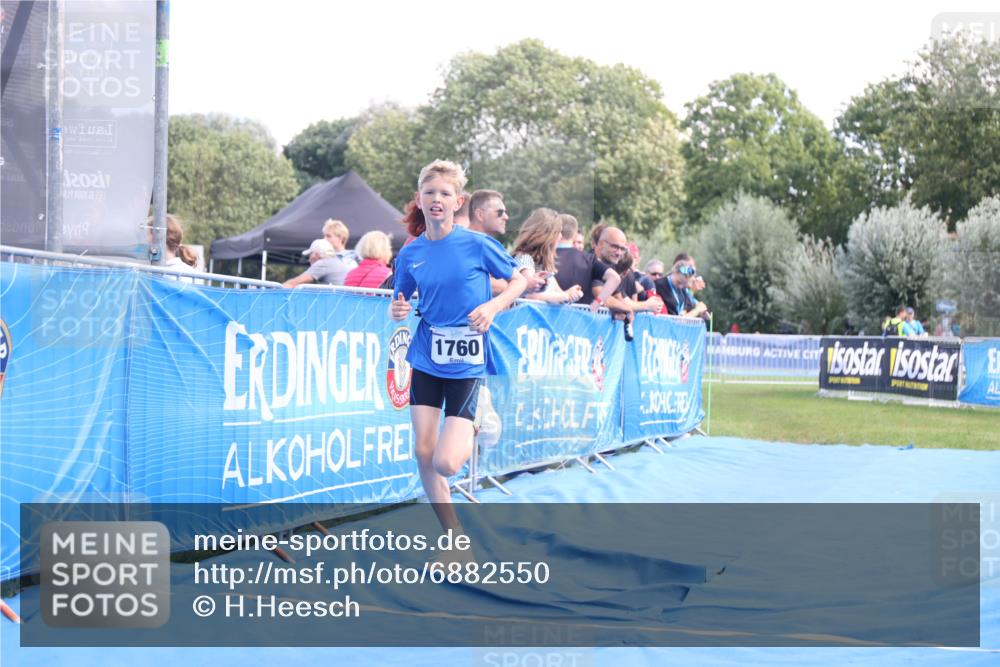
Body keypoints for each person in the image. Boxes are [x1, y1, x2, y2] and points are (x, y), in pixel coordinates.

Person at [389, 160, 526, 541]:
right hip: (426, 357)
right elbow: (399, 300)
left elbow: (520, 280)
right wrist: (397, 309)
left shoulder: (477, 244)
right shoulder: (412, 252)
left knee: (447, 463)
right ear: (419, 200)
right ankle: (454, 537)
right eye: (430, 193)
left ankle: (478, 419)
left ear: (457, 201)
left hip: (466, 365)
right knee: (423, 453)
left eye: (445, 194)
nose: (437, 200)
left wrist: (493, 307)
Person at [512, 209, 583, 304]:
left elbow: (560, 294)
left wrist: (571, 294)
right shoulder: (525, 258)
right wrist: (566, 295)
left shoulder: (543, 265)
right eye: (559, 232)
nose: (561, 236)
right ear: (548, 235)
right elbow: (530, 295)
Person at [554, 214, 621, 307]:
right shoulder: (589, 259)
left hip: (541, 317)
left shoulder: (542, 255)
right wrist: (597, 303)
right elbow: (614, 278)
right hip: (580, 318)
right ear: (574, 234)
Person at [148, 214, 201, 283]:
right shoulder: (190, 273)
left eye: (146, 234)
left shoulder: (179, 274)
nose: (143, 240)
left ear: (156, 237)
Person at [283, 239, 348, 287]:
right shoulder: (337, 261)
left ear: (316, 254)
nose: (309, 259)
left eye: (310, 253)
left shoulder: (323, 263)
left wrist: (277, 289)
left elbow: (293, 283)